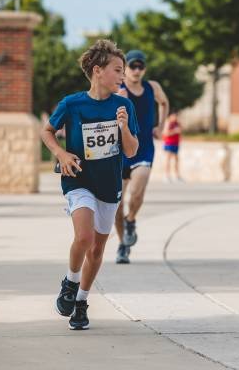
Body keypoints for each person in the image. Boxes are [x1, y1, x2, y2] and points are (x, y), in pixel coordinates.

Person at [41, 39, 139, 330]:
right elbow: (47, 131)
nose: (122, 76)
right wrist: (60, 153)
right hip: (78, 180)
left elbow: (131, 150)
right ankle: (70, 284)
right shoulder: (72, 104)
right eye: (117, 70)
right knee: (83, 237)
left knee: (96, 250)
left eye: (123, 71)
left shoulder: (123, 105)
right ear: (98, 70)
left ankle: (81, 302)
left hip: (109, 185)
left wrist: (123, 127)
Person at [114, 50, 170, 264]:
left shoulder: (152, 87)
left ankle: (131, 220)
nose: (137, 70)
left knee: (137, 192)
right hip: (119, 152)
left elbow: (164, 102)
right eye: (132, 66)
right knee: (117, 203)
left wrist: (161, 126)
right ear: (125, 68)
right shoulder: (118, 89)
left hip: (144, 148)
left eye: (140, 66)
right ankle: (122, 245)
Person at [162, 111, 183, 182]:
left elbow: (180, 131)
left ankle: (177, 175)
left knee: (176, 159)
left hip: (176, 143)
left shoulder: (177, 123)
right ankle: (166, 175)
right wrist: (174, 131)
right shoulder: (168, 123)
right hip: (169, 143)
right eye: (174, 116)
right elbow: (165, 133)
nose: (175, 117)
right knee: (168, 159)